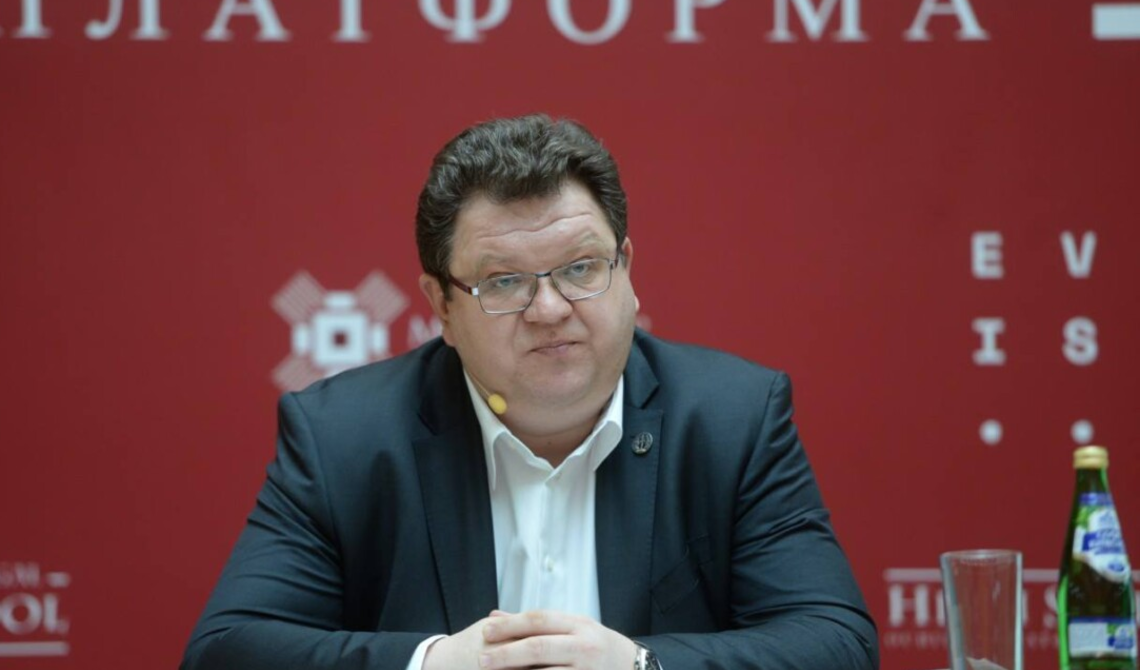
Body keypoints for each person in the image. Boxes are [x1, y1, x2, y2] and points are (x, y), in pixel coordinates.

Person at [181, 114, 878, 670]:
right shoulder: (345, 438)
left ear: (627, 269)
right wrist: (433, 664)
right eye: (504, 281)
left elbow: (835, 643)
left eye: (581, 268)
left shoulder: (732, 419)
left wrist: (641, 666)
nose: (549, 309)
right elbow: (226, 650)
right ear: (441, 306)